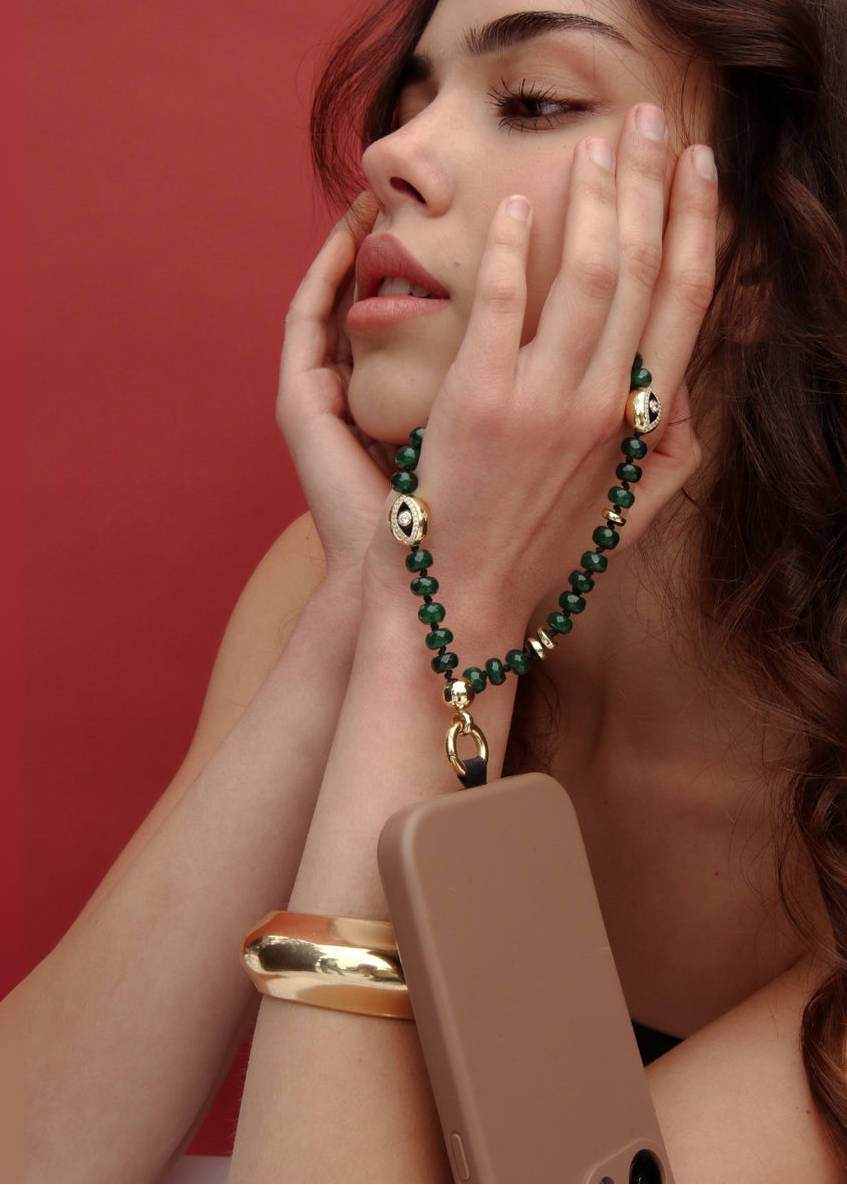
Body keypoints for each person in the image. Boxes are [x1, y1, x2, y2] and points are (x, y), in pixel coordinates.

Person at [8, 0, 847, 1180]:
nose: (392, 155)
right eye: (411, 99)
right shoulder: (352, 579)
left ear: (755, 247)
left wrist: (436, 647)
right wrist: (370, 624)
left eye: (534, 102)